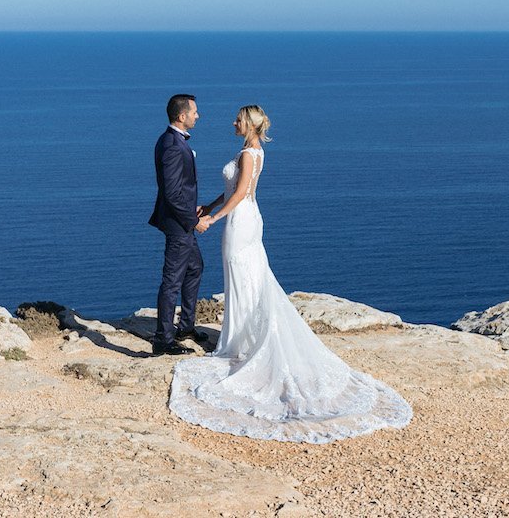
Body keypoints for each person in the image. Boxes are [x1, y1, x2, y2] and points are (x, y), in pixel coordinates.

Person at [169, 105, 412, 442]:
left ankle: (246, 341)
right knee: (247, 277)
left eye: (238, 119)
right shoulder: (252, 151)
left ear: (250, 124)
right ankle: (242, 337)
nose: (233, 122)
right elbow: (236, 190)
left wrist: (213, 218)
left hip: (242, 222)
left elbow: (240, 194)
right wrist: (209, 205)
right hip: (246, 218)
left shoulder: (249, 154)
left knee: (245, 277)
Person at [149, 94, 213, 356]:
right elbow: (172, 192)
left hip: (182, 219)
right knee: (172, 281)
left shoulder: (172, 141)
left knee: (195, 267)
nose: (198, 115)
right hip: (179, 224)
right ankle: (163, 339)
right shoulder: (173, 145)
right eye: (194, 112)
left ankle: (185, 326)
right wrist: (193, 220)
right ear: (181, 116)